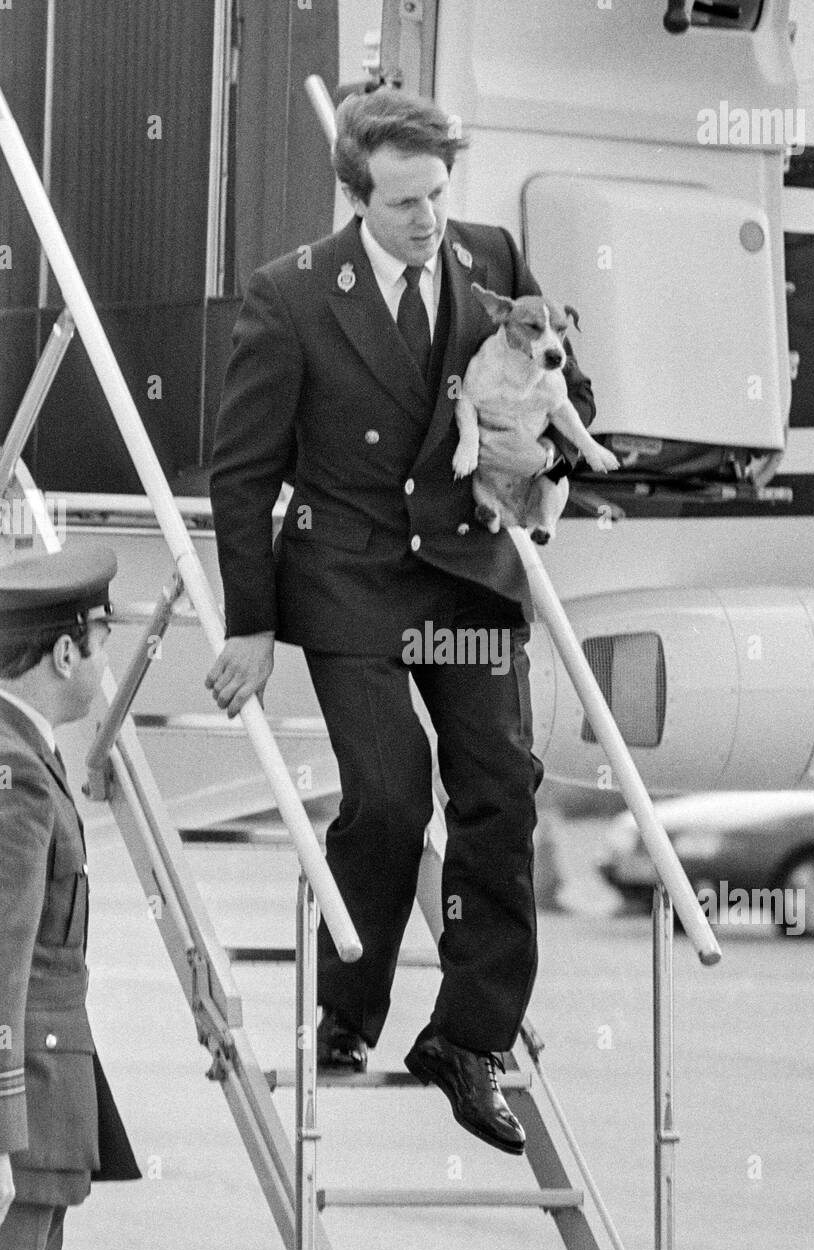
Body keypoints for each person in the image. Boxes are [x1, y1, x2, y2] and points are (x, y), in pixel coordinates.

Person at [207, 87, 600, 1156]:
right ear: (356, 196)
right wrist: (249, 622)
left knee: (499, 786)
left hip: (465, 577)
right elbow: (239, 476)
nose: (428, 219)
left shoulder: (491, 255)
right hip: (350, 579)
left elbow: (574, 389)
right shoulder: (288, 295)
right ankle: (348, 1004)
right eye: (402, 202)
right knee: (386, 794)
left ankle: (468, 1034)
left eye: (436, 193)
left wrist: (550, 453)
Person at [0, 544, 139, 1250]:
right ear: (62, 652)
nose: (105, 653)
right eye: (101, 635)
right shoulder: (13, 770)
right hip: (27, 1091)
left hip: (48, 1078)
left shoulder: (26, 753)